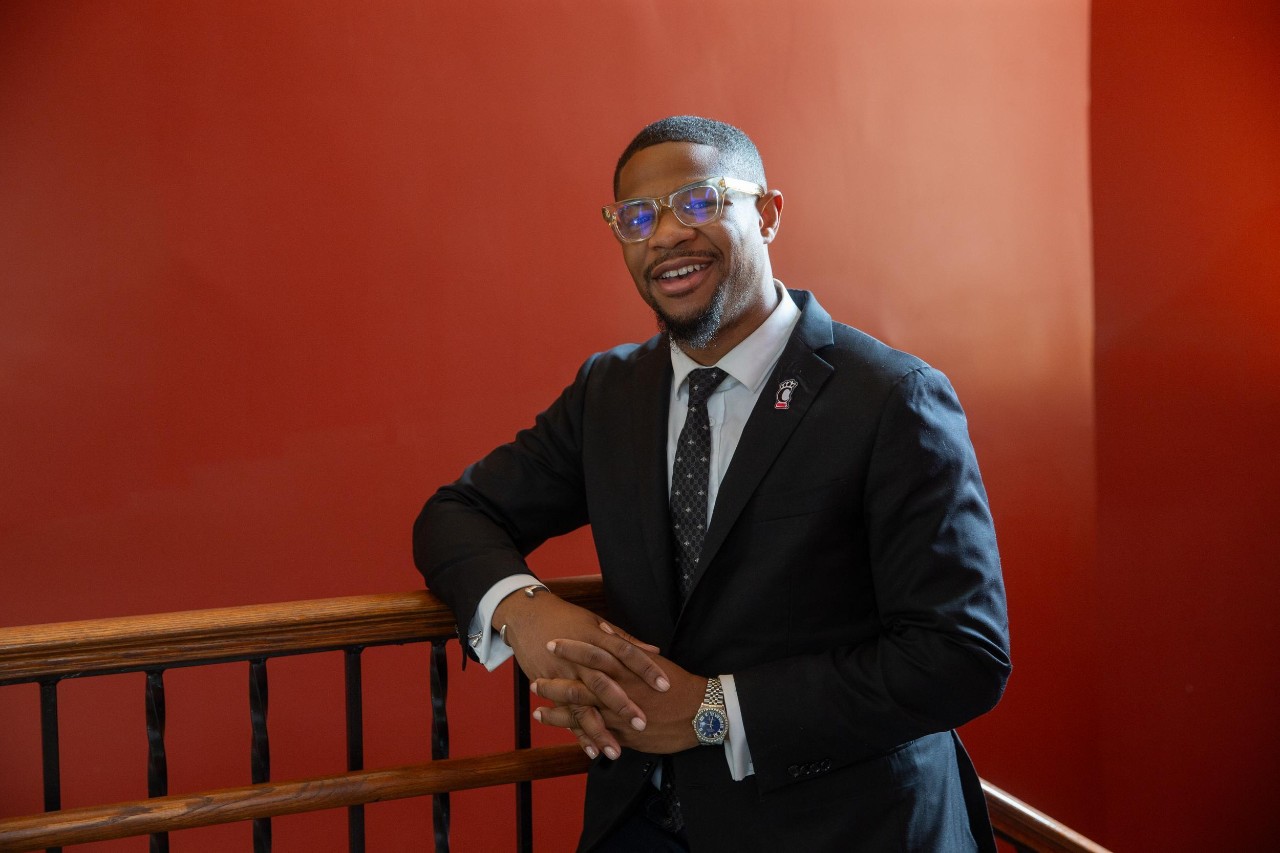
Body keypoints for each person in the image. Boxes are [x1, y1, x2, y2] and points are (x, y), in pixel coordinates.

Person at [414, 115, 1011, 852]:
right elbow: (456, 513)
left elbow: (961, 656)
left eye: (697, 202)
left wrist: (713, 710)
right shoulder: (611, 392)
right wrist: (531, 616)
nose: (664, 234)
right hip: (641, 820)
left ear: (766, 214)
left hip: (842, 826)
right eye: (635, 218)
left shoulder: (891, 397)